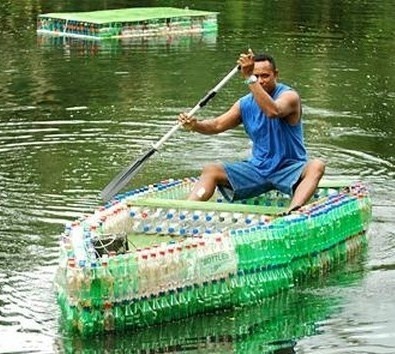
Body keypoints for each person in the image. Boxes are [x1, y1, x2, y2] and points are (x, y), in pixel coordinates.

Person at [178, 49, 325, 213]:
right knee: (211, 170)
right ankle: (186, 210)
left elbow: (273, 111)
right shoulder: (244, 104)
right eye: (256, 76)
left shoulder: (290, 96)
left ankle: (293, 212)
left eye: (265, 76)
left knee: (316, 165)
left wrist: (250, 78)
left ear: (275, 75)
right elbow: (217, 125)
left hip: (290, 168)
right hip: (258, 169)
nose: (260, 81)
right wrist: (195, 125)